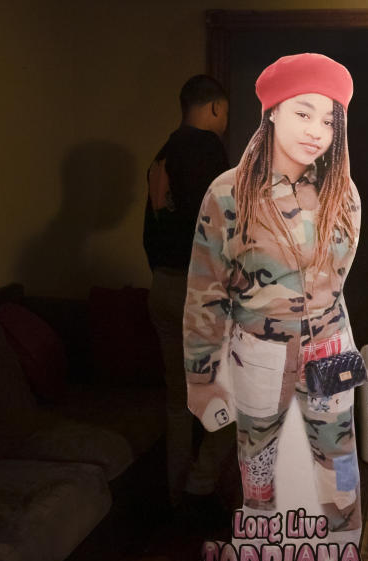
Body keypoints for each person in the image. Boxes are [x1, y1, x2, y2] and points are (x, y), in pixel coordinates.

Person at [183, 54, 362, 541]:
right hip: (260, 355)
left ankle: (342, 544)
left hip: (329, 351)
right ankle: (264, 551)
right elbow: (206, 293)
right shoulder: (228, 193)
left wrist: (343, 347)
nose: (317, 131)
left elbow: (337, 284)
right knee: (257, 463)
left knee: (339, 455)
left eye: (329, 120)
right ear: (273, 112)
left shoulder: (342, 193)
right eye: (303, 113)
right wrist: (201, 380)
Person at [143, 74, 234, 509]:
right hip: (194, 291)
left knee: (177, 401)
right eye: (226, 113)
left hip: (160, 285)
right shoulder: (207, 150)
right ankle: (199, 488)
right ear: (215, 108)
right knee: (231, 394)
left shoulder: (164, 150)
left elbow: (154, 229)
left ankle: (175, 496)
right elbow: (219, 227)